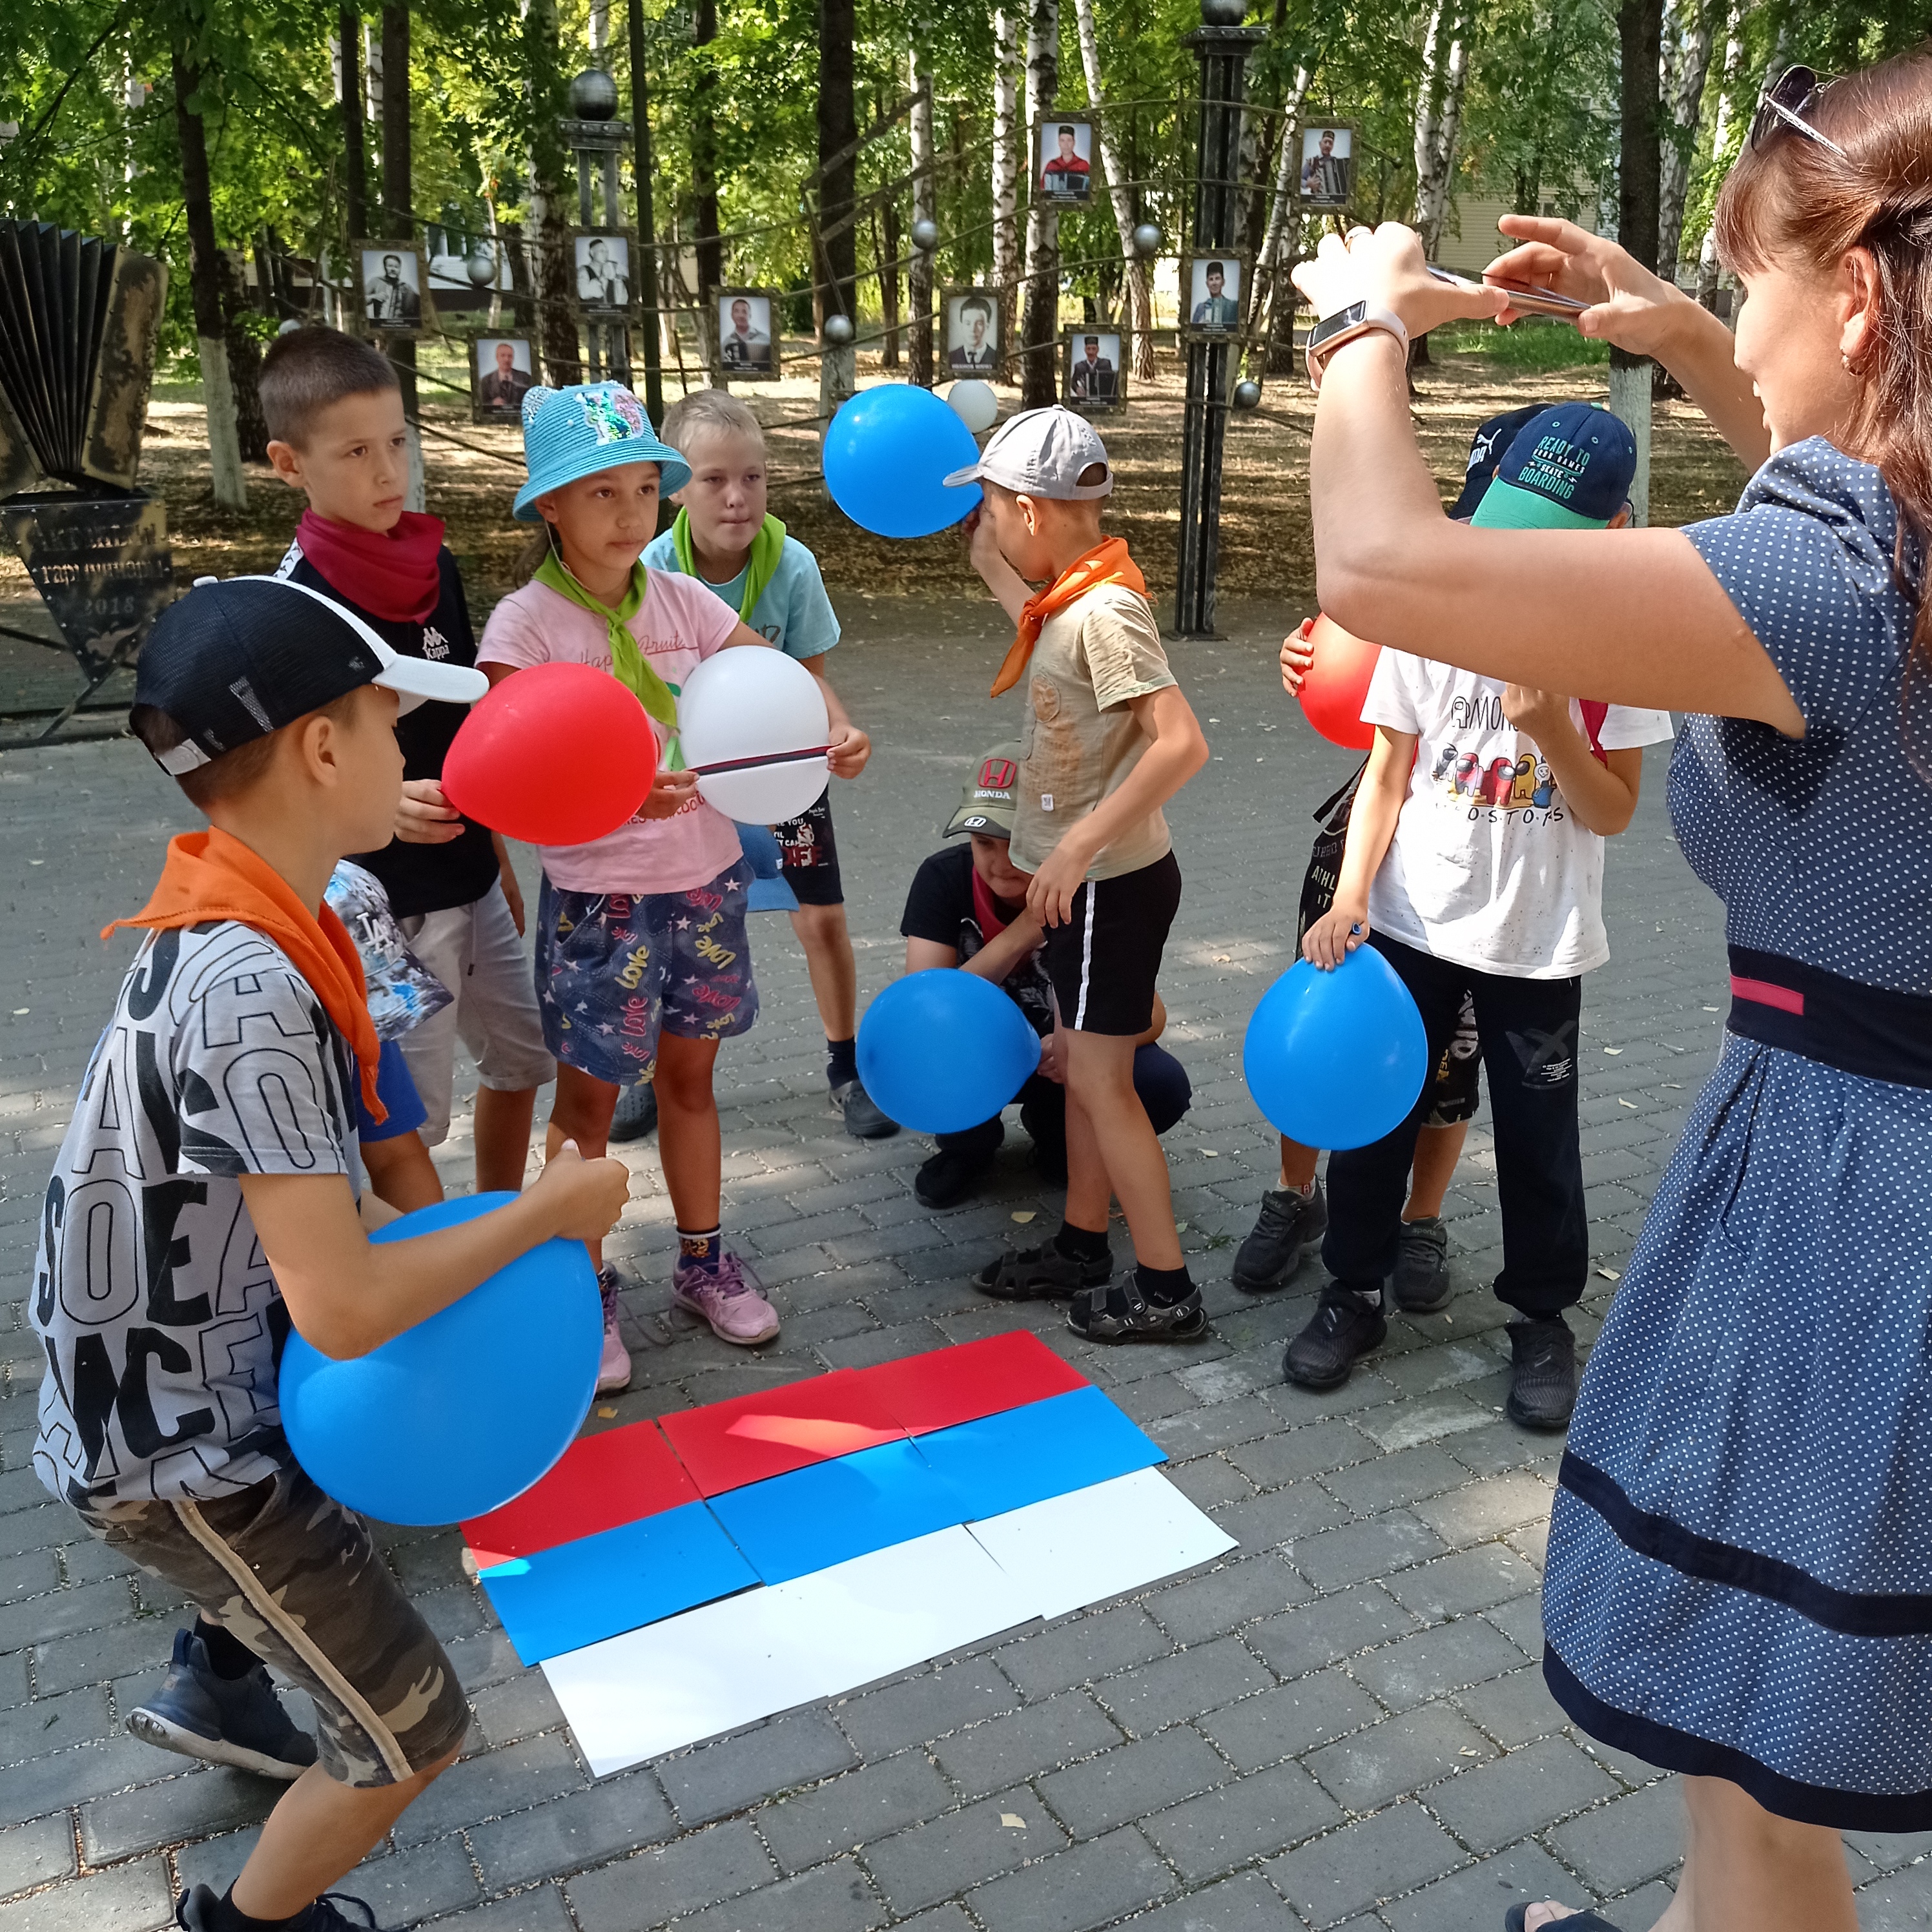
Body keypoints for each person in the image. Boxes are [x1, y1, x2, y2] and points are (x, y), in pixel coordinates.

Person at [1288, 46, 1932, 1929]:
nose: (1735, 321)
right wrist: (1684, 333)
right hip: (1876, 1152)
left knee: (1742, 1745)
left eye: (1748, 280)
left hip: (1845, 1193)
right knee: (1754, 1734)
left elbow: (1376, 564)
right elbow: (1833, 463)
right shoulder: (1897, 539)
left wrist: (1359, 318)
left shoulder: (1829, 584)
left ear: (1857, 300)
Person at [42, 575, 628, 1932]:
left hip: (190, 1396)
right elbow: (349, 1308)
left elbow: (332, 1215)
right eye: (384, 721)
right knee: (408, 1733)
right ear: (319, 747)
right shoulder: (255, 983)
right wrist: (547, 1211)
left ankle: (227, 1680)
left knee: (344, 1653)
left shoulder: (240, 923)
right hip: (181, 1454)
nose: (406, 749)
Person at [1279, 402, 1670, 1428]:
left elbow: (1614, 812)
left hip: (1538, 941)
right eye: (1511, 522)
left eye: (1552, 534)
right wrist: (1352, 897)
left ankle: (1541, 1318)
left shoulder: (1621, 643)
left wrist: (1556, 730)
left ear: (1615, 529)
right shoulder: (1437, 615)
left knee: (1539, 1138)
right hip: (1411, 922)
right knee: (1379, 1119)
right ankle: (1353, 1291)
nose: (1520, 550)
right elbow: (1387, 773)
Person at [478, 384, 852, 1377]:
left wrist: (832, 726)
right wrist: (616, 793)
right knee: (590, 1106)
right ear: (550, 507)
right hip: (600, 903)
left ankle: (703, 1261)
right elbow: (513, 772)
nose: (630, 513)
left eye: (645, 490)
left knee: (691, 1082)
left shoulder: (682, 598)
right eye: (602, 493)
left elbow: (774, 676)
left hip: (707, 888)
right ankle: (583, 1286)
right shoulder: (525, 626)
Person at [1234, 403, 1553, 1302]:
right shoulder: (1427, 574)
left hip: (1487, 865)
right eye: (1475, 512)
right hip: (1374, 842)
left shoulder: (1562, 601)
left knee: (1452, 1058)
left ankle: (1422, 1219)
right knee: (1328, 1019)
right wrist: (1305, 654)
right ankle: (1295, 1194)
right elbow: (1349, 649)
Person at [262, 326, 553, 1200]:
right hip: (382, 908)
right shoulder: (292, 606)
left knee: (522, 1061)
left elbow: (465, 725)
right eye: (355, 452)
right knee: (407, 1125)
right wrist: (378, 802)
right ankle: (418, 1265)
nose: (389, 471)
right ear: (288, 464)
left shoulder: (437, 565)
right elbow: (277, 773)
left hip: (472, 877)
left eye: (397, 441)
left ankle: (497, 1231)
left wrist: (495, 850)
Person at [947, 407, 1210, 1341]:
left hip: (1107, 887)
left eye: (993, 509)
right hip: (1089, 889)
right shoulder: (1067, 596)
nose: (988, 525)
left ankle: (1168, 1289)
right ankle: (1082, 1245)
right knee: (1091, 1076)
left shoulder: (1105, 611)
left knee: (1102, 1083)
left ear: (1030, 511)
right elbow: (1008, 585)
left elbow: (1181, 744)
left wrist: (1071, 848)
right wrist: (981, 532)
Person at [641, 389, 890, 1139]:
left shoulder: (792, 565)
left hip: (783, 772)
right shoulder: (651, 569)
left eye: (752, 477)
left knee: (823, 920)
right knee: (664, 927)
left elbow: (807, 675)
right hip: (684, 778)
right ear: (675, 488)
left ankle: (846, 1067)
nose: (737, 496)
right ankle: (648, 1071)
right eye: (714, 479)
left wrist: (841, 729)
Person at [901, 744, 1191, 1208]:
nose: (999, 862)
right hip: (977, 1056)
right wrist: (1021, 935)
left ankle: (1056, 1131)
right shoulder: (943, 878)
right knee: (922, 1054)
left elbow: (1151, 1017)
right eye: (983, 843)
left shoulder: (1090, 887)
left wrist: (1078, 1046)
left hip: (1058, 1061)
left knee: (1161, 1083)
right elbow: (923, 1010)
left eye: (1017, 842)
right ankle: (967, 1147)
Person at [325, 858, 449, 1213]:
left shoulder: (364, 1033)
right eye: (354, 999)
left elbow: (398, 1159)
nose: (369, 1025)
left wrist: (429, 1242)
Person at [478, 339, 533, 414]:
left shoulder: (525, 378)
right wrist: (492, 403)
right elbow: (480, 405)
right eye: (503, 356)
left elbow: (532, 402)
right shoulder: (486, 380)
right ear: (497, 358)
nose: (506, 359)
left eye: (510, 356)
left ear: (513, 358)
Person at [364, 252, 419, 326]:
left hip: (401, 327)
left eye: (396, 267)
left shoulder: (406, 287)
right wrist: (374, 296)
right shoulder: (375, 281)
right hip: (381, 325)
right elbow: (360, 300)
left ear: (400, 269)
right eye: (390, 266)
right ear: (385, 267)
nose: (393, 269)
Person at [721, 296, 772, 372]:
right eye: (736, 311)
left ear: (750, 315)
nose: (741, 316)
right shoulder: (726, 343)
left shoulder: (765, 339)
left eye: (744, 312)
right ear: (732, 315)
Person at [1041, 124, 1091, 199]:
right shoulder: (1051, 165)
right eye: (1062, 141)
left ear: (1074, 142)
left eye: (1069, 140)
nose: (1066, 145)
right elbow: (1042, 190)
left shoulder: (1084, 165)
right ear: (1059, 143)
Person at [949, 295, 998, 371]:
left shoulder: (996, 357)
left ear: (987, 325)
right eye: (968, 323)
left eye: (979, 324)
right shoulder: (950, 357)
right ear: (961, 325)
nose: (973, 330)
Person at [577, 237, 629, 309]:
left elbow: (622, 300)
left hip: (612, 314)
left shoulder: (613, 269)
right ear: (592, 253)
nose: (605, 254)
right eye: (602, 251)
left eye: (607, 252)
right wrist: (603, 278)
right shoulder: (584, 270)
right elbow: (583, 293)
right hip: (592, 313)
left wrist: (618, 280)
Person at [1300, 128, 1348, 204]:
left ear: (1332, 146)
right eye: (1325, 142)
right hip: (1316, 201)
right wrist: (1307, 183)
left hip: (1334, 203)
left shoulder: (1338, 164)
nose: (1327, 145)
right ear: (1320, 144)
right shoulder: (1311, 162)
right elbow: (1300, 179)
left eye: (1330, 143)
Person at [1069, 335, 1117, 404]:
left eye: (1094, 349)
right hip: (1085, 400)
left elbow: (1113, 382)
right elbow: (1072, 382)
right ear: (1085, 350)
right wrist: (1077, 389)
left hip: (1102, 401)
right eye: (1088, 349)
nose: (1091, 352)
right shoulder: (1079, 366)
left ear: (1098, 350)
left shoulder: (1105, 364)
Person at [1191, 262, 1238, 329]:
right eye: (1211, 279)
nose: (1214, 283)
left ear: (1223, 282)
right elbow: (1194, 330)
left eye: (1217, 278)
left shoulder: (1233, 306)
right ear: (1207, 284)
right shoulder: (1200, 308)